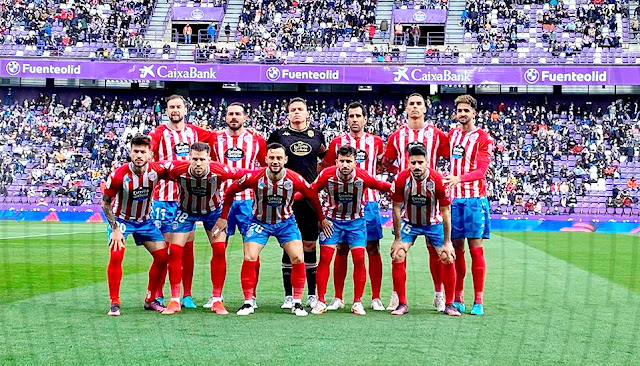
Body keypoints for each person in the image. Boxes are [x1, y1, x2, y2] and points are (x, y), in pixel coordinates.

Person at [215, 143, 332, 316]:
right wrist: (224, 217)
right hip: (259, 222)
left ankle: (297, 303)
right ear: (265, 159)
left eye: (279, 158)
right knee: (250, 256)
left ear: (285, 160)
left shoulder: (295, 179)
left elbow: (312, 195)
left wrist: (322, 220)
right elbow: (231, 191)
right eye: (272, 158)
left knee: (298, 257)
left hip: (286, 223)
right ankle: (248, 302)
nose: (275, 161)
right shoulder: (255, 177)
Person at [382, 93, 450, 312]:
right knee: (398, 252)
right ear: (406, 107)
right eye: (411, 103)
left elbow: (450, 157)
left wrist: (438, 179)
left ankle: (440, 295)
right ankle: (397, 295)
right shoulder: (397, 135)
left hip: (431, 199)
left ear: (425, 108)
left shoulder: (438, 135)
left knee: (436, 253)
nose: (414, 107)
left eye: (418, 104)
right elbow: (387, 161)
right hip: (408, 198)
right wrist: (399, 177)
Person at [160, 142, 246, 315]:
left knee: (220, 250)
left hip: (213, 213)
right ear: (189, 158)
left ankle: (217, 300)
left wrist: (224, 217)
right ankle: (174, 300)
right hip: (185, 212)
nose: (198, 163)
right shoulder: (178, 169)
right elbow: (155, 170)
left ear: (209, 159)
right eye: (194, 159)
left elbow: (246, 175)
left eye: (202, 159)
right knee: (175, 251)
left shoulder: (220, 170)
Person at [321, 101, 386, 311]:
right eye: (351, 116)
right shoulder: (337, 142)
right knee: (341, 249)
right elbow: (327, 168)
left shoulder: (376, 142)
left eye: (358, 116)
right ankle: (338, 297)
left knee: (372, 249)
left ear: (366, 119)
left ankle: (375, 297)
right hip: (342, 204)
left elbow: (385, 165)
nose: (355, 119)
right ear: (347, 119)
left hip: (370, 203)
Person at [311, 146, 391, 315]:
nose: (345, 165)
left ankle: (357, 302)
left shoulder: (362, 176)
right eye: (342, 161)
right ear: (336, 161)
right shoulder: (327, 175)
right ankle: (321, 301)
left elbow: (380, 185)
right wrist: (321, 219)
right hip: (332, 222)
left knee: (359, 257)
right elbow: (311, 192)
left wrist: (400, 186)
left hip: (356, 222)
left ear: (355, 162)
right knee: (325, 257)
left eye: (349, 161)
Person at [148, 94, 209, 308]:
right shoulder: (158, 133)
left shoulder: (195, 132)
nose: (175, 110)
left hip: (187, 199)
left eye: (178, 106)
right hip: (164, 199)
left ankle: (187, 295)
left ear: (185, 110)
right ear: (166, 111)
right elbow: (147, 154)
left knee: (188, 248)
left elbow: (218, 138)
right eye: (171, 106)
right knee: (165, 250)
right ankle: (159, 294)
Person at [267, 98, 327, 309]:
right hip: (287, 197)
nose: (297, 113)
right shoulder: (278, 135)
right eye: (293, 110)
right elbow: (267, 159)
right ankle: (289, 295)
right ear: (288, 114)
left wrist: (316, 183)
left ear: (307, 113)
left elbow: (324, 160)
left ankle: (311, 294)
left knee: (310, 245)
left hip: (308, 198)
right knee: (289, 244)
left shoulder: (317, 136)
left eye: (300, 109)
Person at [102, 134, 169, 316]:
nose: (139, 155)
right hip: (122, 221)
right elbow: (106, 202)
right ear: (130, 153)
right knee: (116, 255)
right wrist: (115, 228)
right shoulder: (118, 175)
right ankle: (114, 302)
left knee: (163, 257)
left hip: (145, 222)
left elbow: (176, 170)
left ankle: (151, 299)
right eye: (135, 151)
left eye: (143, 152)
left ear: (150, 154)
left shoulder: (157, 171)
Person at [209, 102, 267, 308]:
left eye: (238, 114)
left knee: (252, 249)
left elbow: (265, 166)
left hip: (248, 202)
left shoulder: (256, 140)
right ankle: (216, 295)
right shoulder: (215, 139)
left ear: (246, 117)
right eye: (230, 114)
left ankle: (251, 296)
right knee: (218, 248)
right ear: (225, 117)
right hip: (221, 201)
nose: (234, 117)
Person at [389, 144, 458, 316]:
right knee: (398, 254)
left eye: (420, 162)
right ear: (408, 163)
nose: (417, 166)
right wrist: (397, 238)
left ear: (427, 162)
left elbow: (445, 212)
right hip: (409, 223)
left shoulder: (438, 180)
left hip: (433, 224)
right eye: (413, 163)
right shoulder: (400, 179)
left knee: (447, 257)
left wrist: (448, 242)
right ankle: (402, 303)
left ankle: (449, 304)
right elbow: (396, 209)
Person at [443, 94, 494, 316]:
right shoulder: (452, 135)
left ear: (474, 112)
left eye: (466, 110)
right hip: (454, 201)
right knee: (457, 250)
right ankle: (458, 297)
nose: (462, 114)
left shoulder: (483, 138)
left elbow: (482, 171)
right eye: (459, 110)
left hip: (474, 201)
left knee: (476, 250)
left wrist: (458, 179)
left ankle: (479, 301)